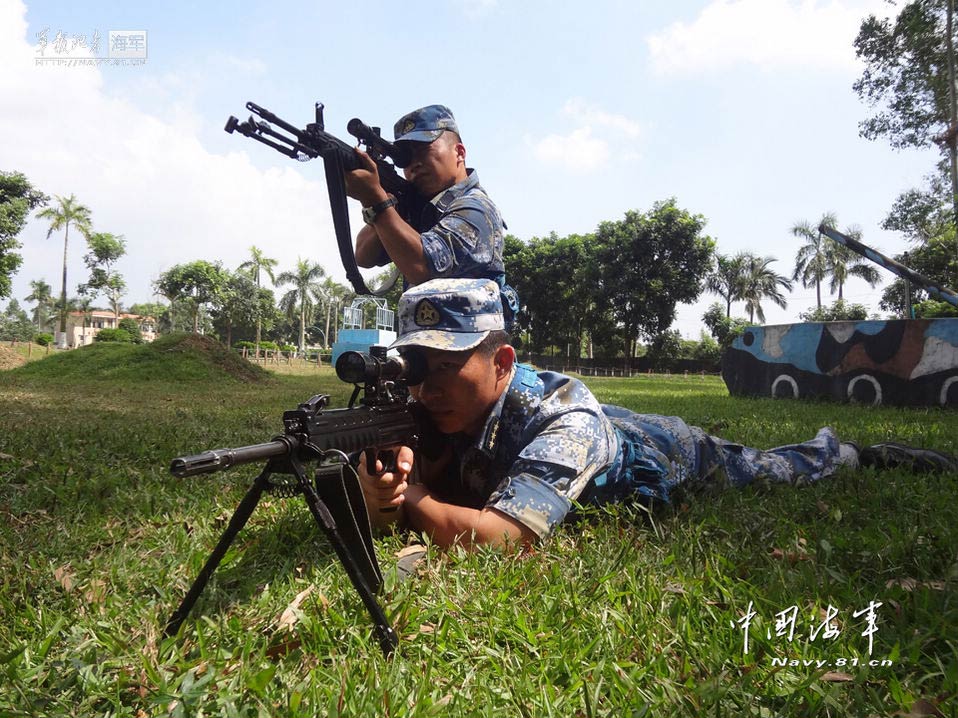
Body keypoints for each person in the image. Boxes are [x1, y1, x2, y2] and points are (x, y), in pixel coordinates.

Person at [357, 278, 958, 550]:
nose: (424, 388)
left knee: (768, 469)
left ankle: (849, 452)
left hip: (664, 455)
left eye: (445, 365)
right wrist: (386, 487)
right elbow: (426, 482)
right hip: (602, 428)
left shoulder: (564, 420)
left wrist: (411, 502)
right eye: (415, 368)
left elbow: (504, 537)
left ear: (502, 359)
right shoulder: (437, 407)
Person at [343, 105, 518, 326]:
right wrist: (380, 202)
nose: (414, 164)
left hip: (468, 354)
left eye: (424, 150)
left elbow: (423, 268)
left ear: (459, 153)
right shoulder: (419, 208)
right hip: (423, 348)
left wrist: (378, 200)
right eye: (406, 158)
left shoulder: (476, 209)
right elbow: (364, 256)